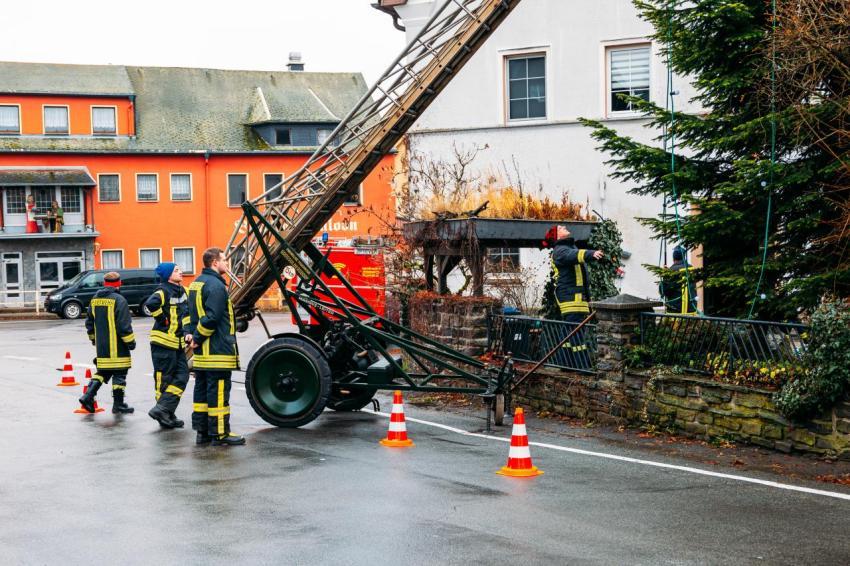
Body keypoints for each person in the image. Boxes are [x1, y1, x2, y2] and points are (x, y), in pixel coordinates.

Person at [186, 247, 245, 446]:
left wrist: (191, 336)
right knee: (219, 393)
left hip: (202, 355)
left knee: (202, 393)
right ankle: (220, 434)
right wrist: (198, 338)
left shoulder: (195, 284)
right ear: (214, 263)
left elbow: (190, 314)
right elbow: (212, 317)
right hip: (217, 351)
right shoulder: (217, 286)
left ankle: (202, 433)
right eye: (224, 260)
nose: (227, 264)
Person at [544, 225, 603, 369]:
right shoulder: (560, 251)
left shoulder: (568, 247)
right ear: (557, 236)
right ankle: (582, 367)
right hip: (571, 297)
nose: (564, 226)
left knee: (568, 333)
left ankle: (565, 364)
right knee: (576, 333)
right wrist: (591, 254)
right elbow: (573, 256)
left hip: (574, 297)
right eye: (560, 228)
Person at [80, 271, 135, 414]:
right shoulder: (119, 300)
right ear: (119, 283)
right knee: (120, 374)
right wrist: (131, 342)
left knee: (103, 371)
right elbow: (124, 325)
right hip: (118, 346)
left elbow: (89, 323)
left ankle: (87, 396)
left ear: (104, 283)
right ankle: (118, 405)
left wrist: (93, 339)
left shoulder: (95, 299)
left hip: (102, 347)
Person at [145, 262, 192, 429]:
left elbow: (186, 314)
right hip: (163, 343)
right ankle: (164, 414)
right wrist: (161, 319)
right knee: (164, 381)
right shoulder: (163, 291)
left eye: (179, 269)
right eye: (176, 270)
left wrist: (187, 331)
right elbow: (151, 304)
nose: (181, 272)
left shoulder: (183, 291)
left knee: (183, 376)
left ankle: (164, 410)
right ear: (168, 275)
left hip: (178, 344)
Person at [660, 246, 697, 315]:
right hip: (691, 310)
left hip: (676, 311)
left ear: (673, 258)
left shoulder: (672, 271)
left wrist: (665, 275)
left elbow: (663, 291)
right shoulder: (691, 268)